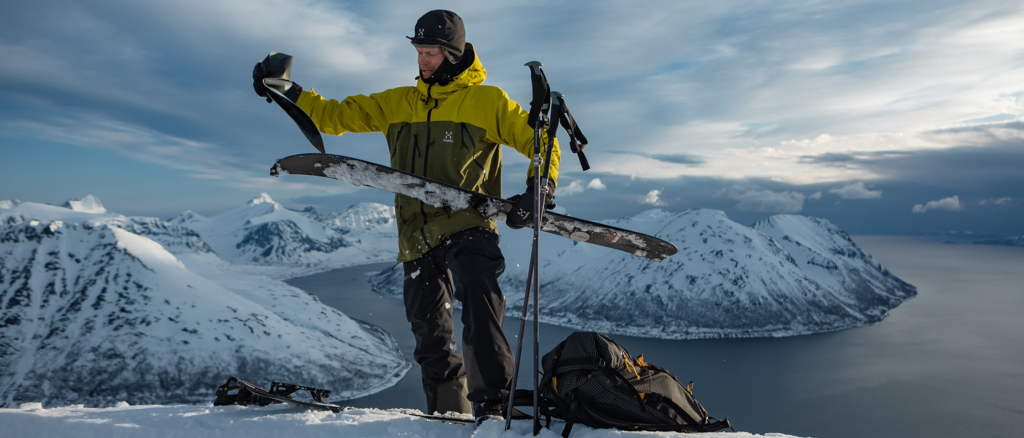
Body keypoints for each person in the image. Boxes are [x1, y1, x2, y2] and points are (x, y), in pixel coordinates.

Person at [253, 10, 560, 422]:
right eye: (419, 51)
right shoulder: (398, 102)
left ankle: (494, 407)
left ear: (453, 54)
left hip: (468, 224)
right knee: (430, 336)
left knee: (479, 298)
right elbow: (332, 115)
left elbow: (540, 142)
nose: (422, 60)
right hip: (415, 236)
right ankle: (449, 416)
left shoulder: (487, 102)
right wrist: (285, 89)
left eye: (431, 52)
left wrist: (540, 188)